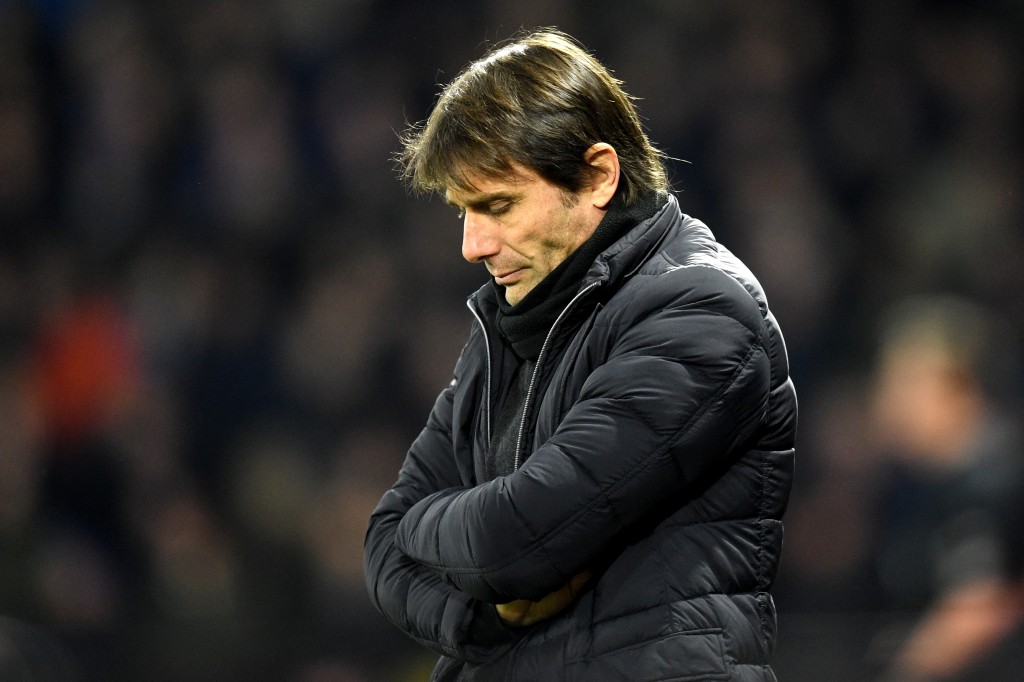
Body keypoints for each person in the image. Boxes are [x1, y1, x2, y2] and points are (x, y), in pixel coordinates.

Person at [364, 29, 797, 681]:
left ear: (598, 175)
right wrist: (483, 616)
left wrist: (422, 529)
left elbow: (512, 543)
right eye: (463, 212)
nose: (473, 245)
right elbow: (382, 544)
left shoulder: (700, 311)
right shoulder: (510, 323)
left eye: (498, 205)